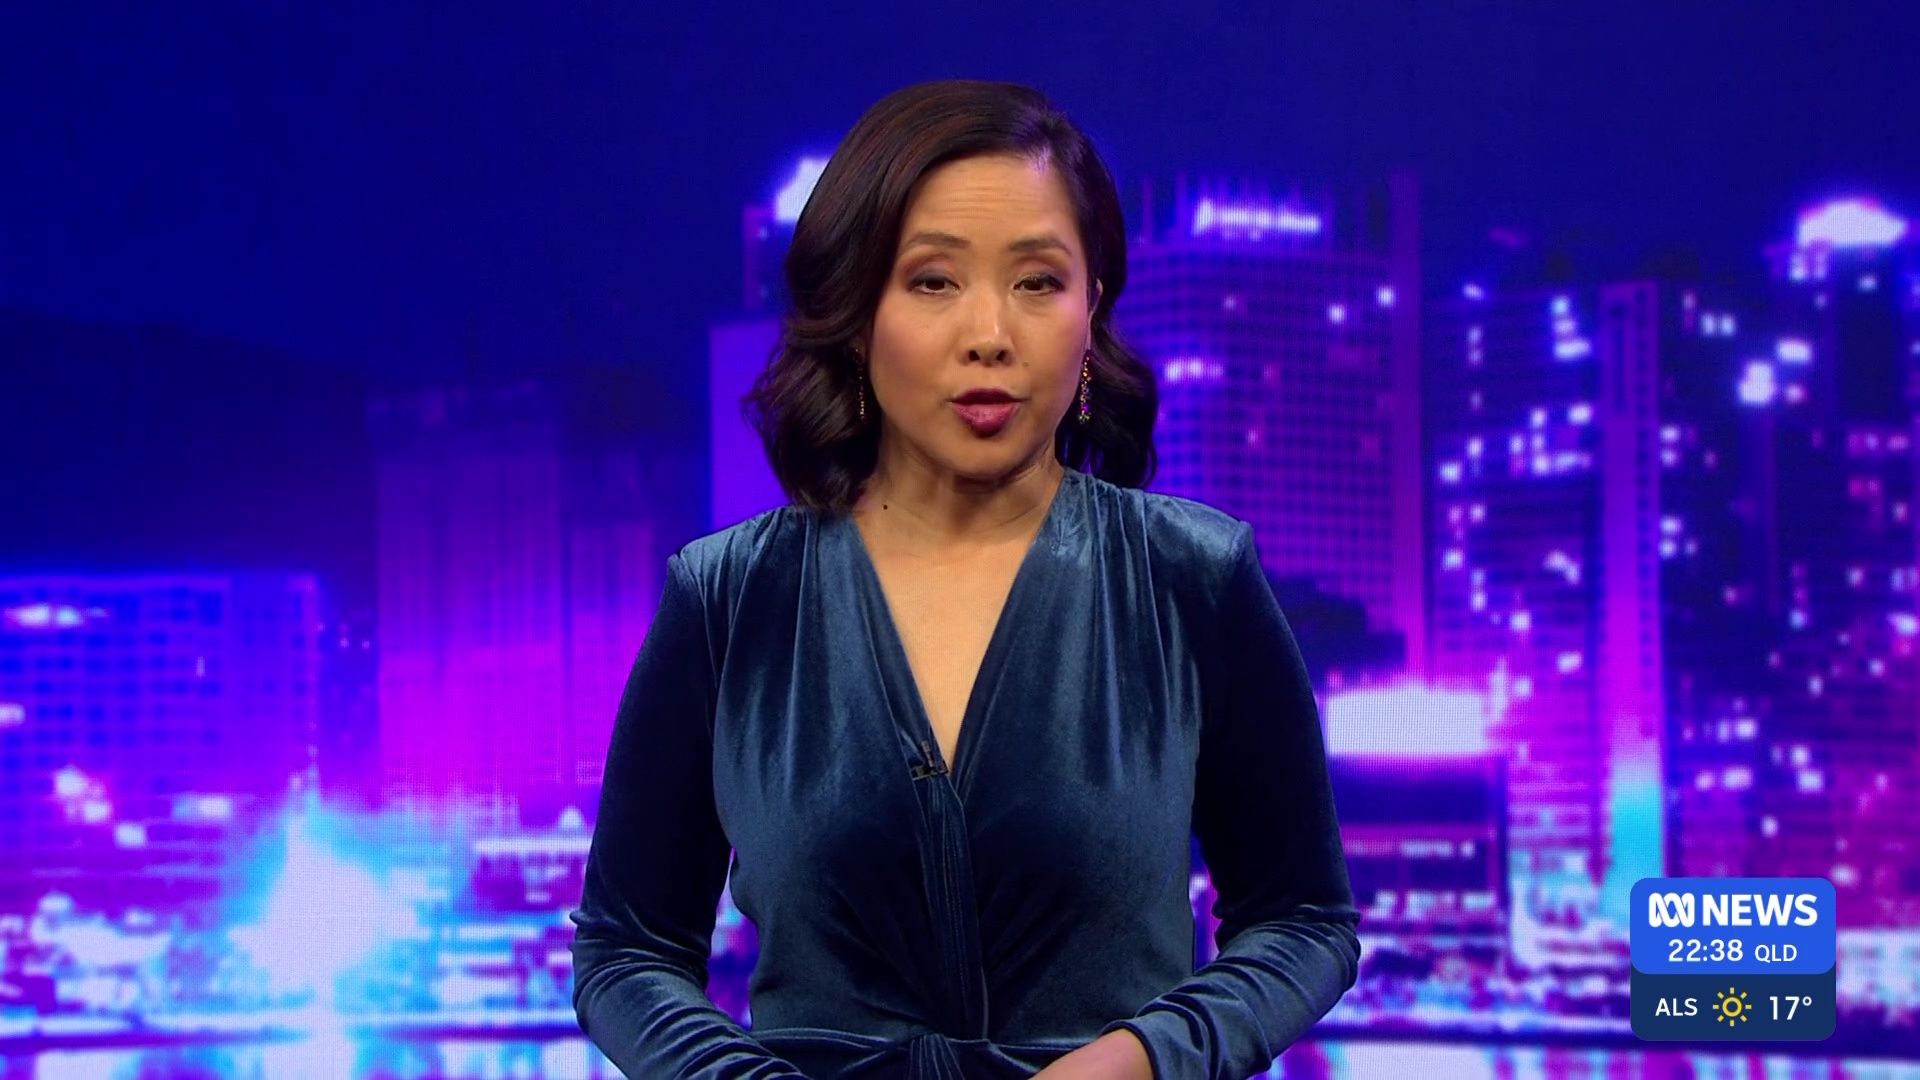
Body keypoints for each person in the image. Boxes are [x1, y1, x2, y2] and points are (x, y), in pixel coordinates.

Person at [571, 79, 1361, 1079]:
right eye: (934, 281)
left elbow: (1303, 920)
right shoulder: (728, 599)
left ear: (1091, 311)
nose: (989, 332)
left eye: (1037, 282)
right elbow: (625, 951)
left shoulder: (1193, 578)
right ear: (858, 314)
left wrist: (1146, 1059)